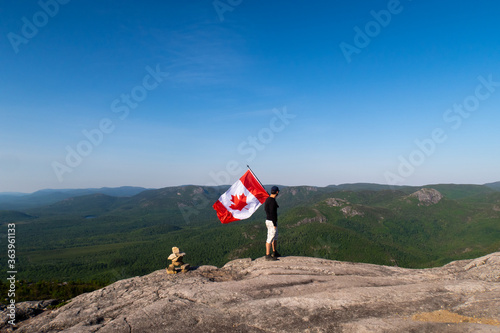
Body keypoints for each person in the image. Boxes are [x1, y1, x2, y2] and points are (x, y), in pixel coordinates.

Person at [264, 186, 280, 260]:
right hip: (271, 221)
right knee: (270, 238)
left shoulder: (268, 200)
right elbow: (272, 213)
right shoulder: (272, 201)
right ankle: (267, 255)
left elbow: (267, 209)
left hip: (269, 220)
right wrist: (274, 224)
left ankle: (274, 252)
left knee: (274, 237)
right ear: (277, 192)